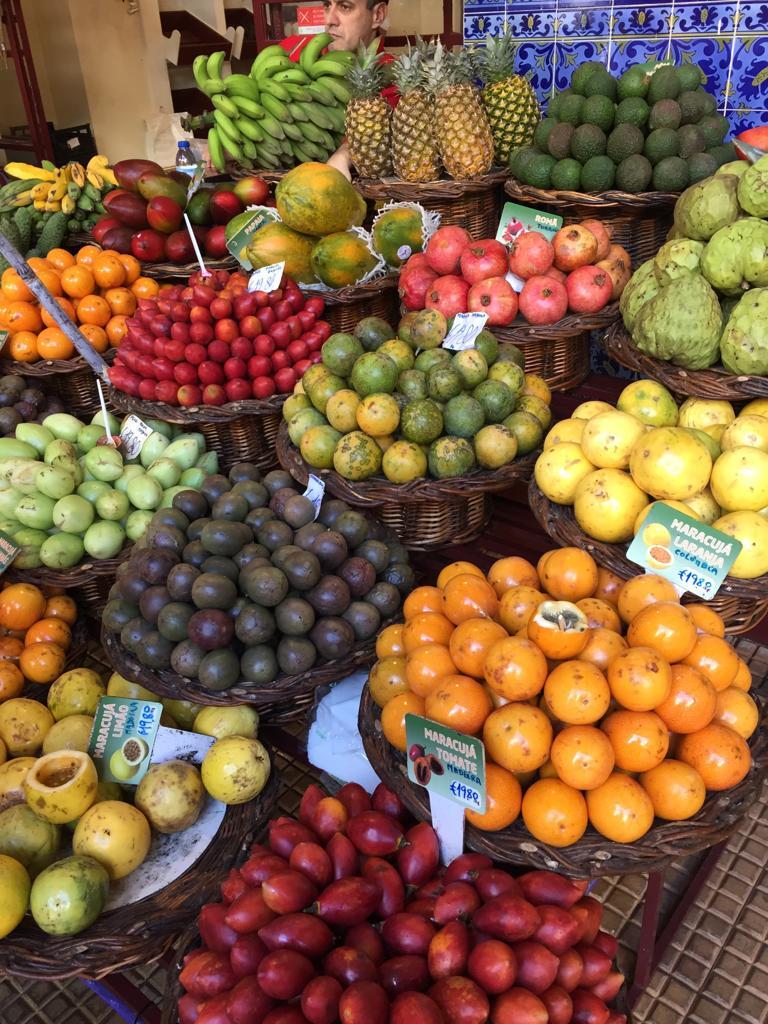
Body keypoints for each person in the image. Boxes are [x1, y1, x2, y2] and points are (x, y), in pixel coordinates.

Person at [279, 0, 395, 177]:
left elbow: (383, 130)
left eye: (345, 7)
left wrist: (344, 154)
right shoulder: (292, 49)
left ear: (377, 15)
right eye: (327, 5)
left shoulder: (392, 75)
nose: (329, 20)